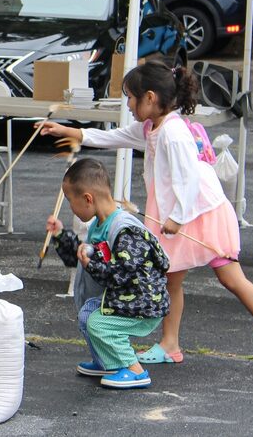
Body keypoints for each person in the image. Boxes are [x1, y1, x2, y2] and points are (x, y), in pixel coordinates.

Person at [39, 61, 253, 377]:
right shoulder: (152, 127)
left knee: (232, 278)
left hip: (200, 214)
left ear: (150, 98)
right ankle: (170, 344)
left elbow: (188, 180)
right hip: (179, 214)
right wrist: (72, 131)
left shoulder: (173, 133)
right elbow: (115, 136)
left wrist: (177, 218)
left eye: (131, 99)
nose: (129, 106)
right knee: (170, 277)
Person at [48, 158, 170, 389]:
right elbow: (80, 257)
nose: (70, 208)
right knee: (87, 315)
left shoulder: (125, 229)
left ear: (87, 199)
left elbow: (122, 273)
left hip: (142, 304)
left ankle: (135, 370)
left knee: (97, 324)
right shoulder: (99, 224)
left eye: (70, 202)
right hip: (124, 299)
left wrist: (91, 264)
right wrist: (62, 236)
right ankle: (107, 362)